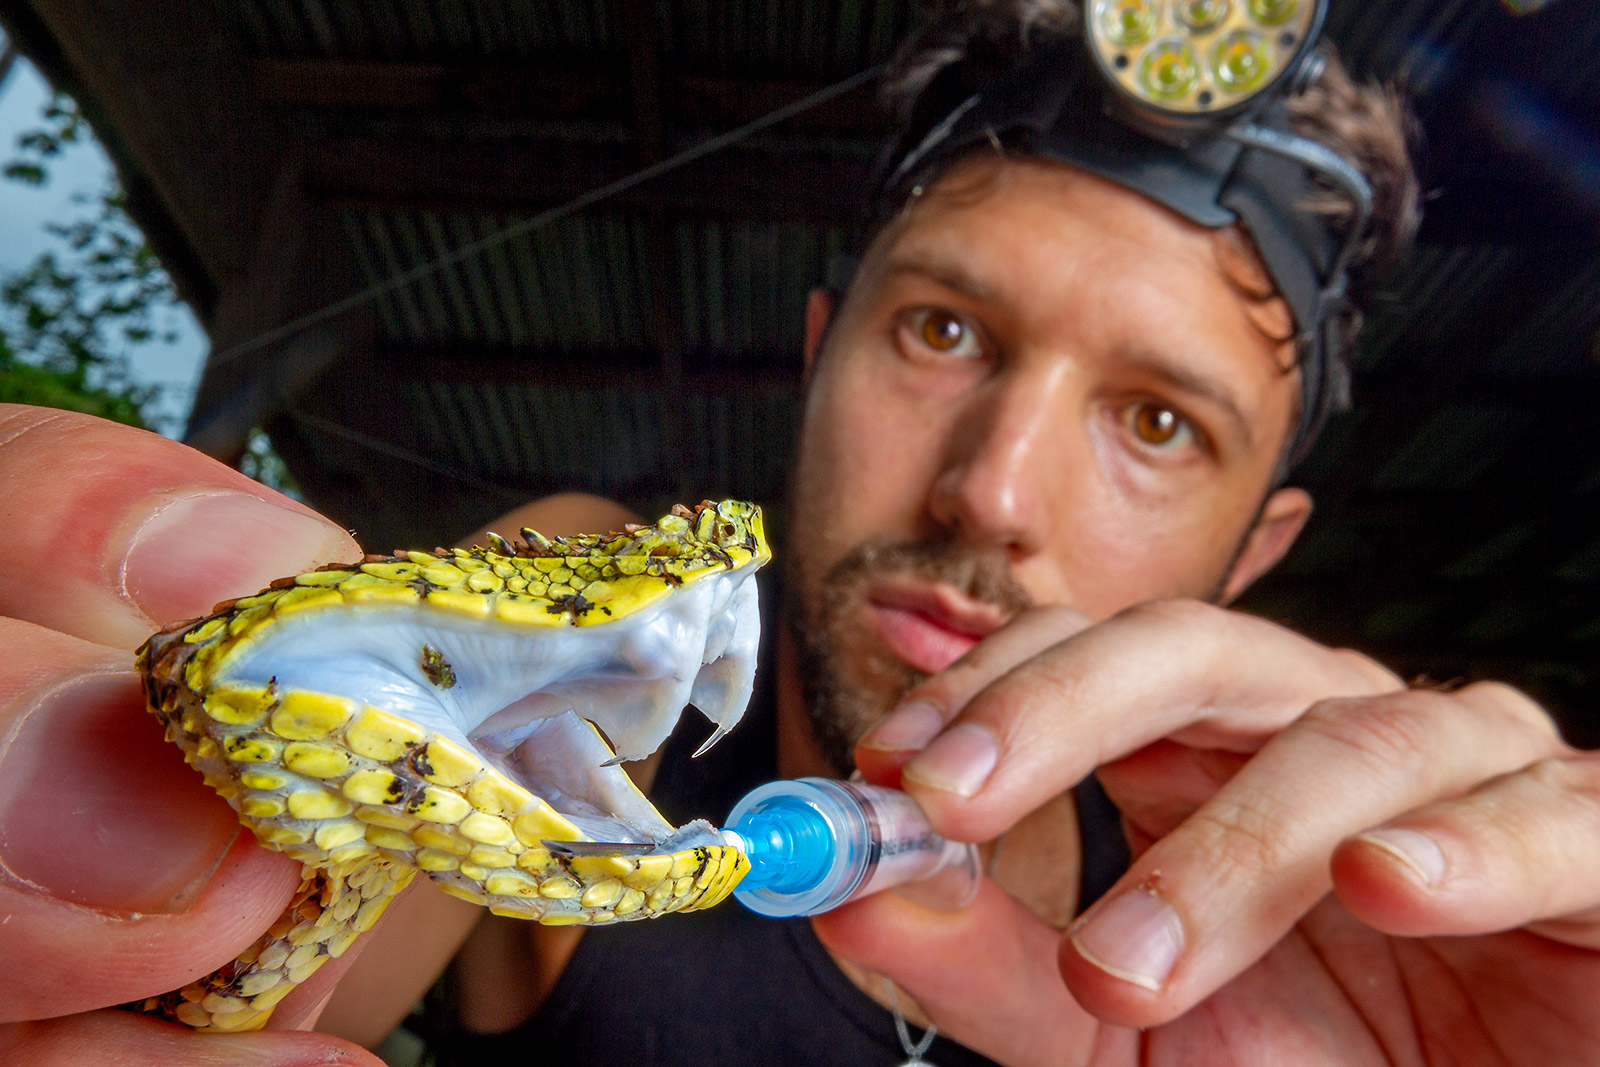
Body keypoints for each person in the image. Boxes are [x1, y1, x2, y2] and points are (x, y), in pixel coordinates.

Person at [3, 2, 1597, 1064]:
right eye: (945, 333)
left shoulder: (1327, 951)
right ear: (821, 348)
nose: (994, 488)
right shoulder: (569, 632)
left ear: (1259, 551)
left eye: (1158, 425)